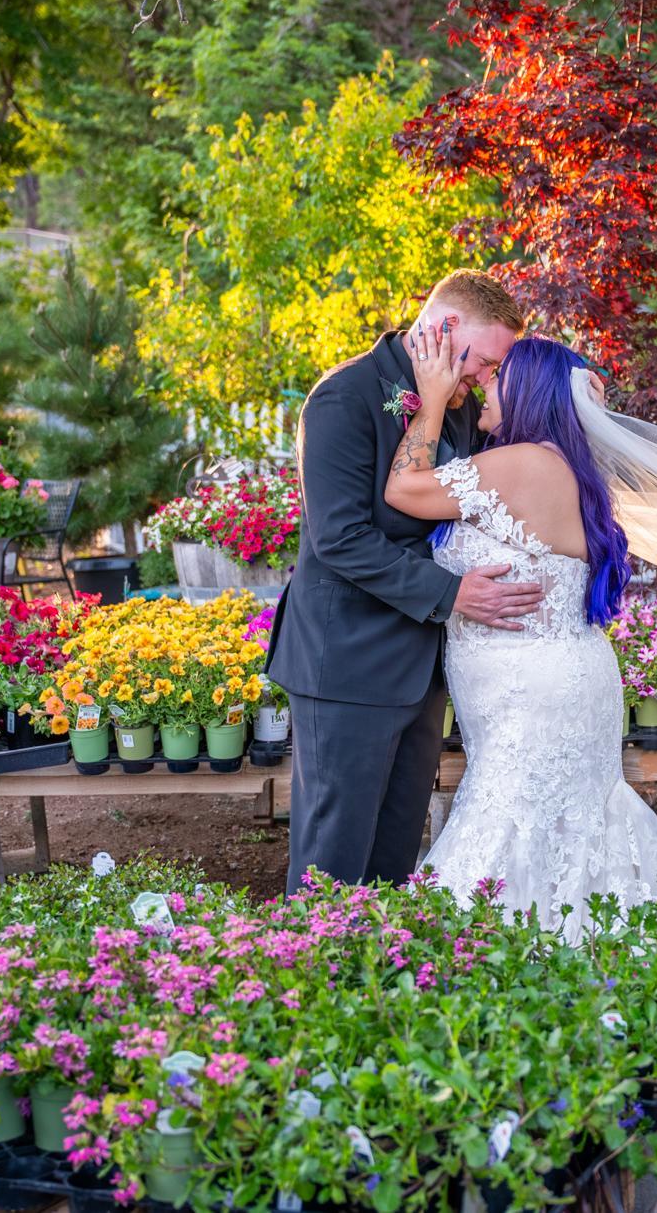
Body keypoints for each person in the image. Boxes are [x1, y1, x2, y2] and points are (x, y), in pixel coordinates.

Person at [385, 331, 657, 936]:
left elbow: (403, 489)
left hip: (533, 693)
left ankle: (493, 960)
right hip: (559, 677)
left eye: (497, 377)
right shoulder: (565, 465)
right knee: (567, 821)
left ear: (530, 391)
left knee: (515, 820)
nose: (483, 384)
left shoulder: (524, 464)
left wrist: (431, 401)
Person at [266, 269, 544, 891]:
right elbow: (340, 538)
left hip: (423, 667)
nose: (486, 377)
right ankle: (311, 957)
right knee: (332, 862)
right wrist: (453, 593)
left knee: (394, 861)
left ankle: (380, 957)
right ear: (446, 328)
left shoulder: (461, 405)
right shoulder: (344, 397)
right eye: (485, 361)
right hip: (348, 664)